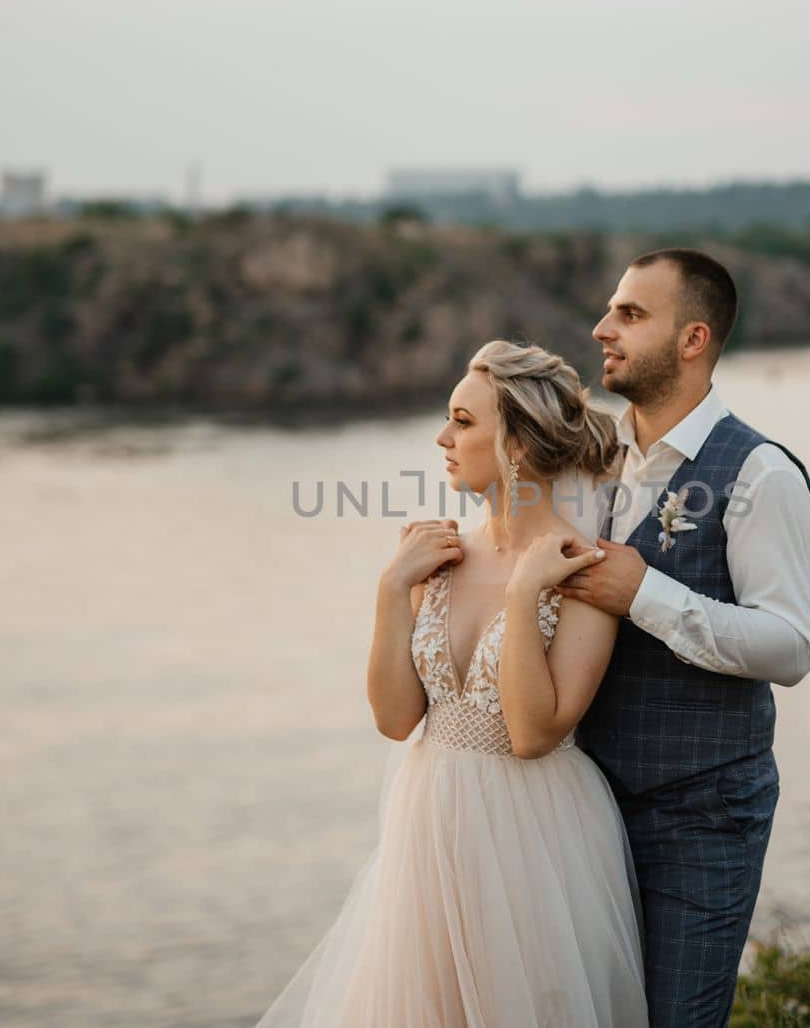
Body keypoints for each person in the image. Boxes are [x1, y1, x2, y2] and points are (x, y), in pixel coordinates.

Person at [256, 340, 649, 1027]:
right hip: (428, 822)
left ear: (519, 444)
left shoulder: (584, 571)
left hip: (534, 835)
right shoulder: (438, 555)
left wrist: (526, 593)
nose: (443, 437)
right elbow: (396, 718)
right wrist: (391, 587)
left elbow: (532, 735)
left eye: (463, 422)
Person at [558, 248, 810, 1028]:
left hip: (703, 818)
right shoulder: (594, 463)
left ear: (694, 338)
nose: (604, 328)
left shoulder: (760, 473)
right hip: (587, 808)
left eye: (631, 315)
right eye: (611, 310)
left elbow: (789, 646)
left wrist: (647, 594)